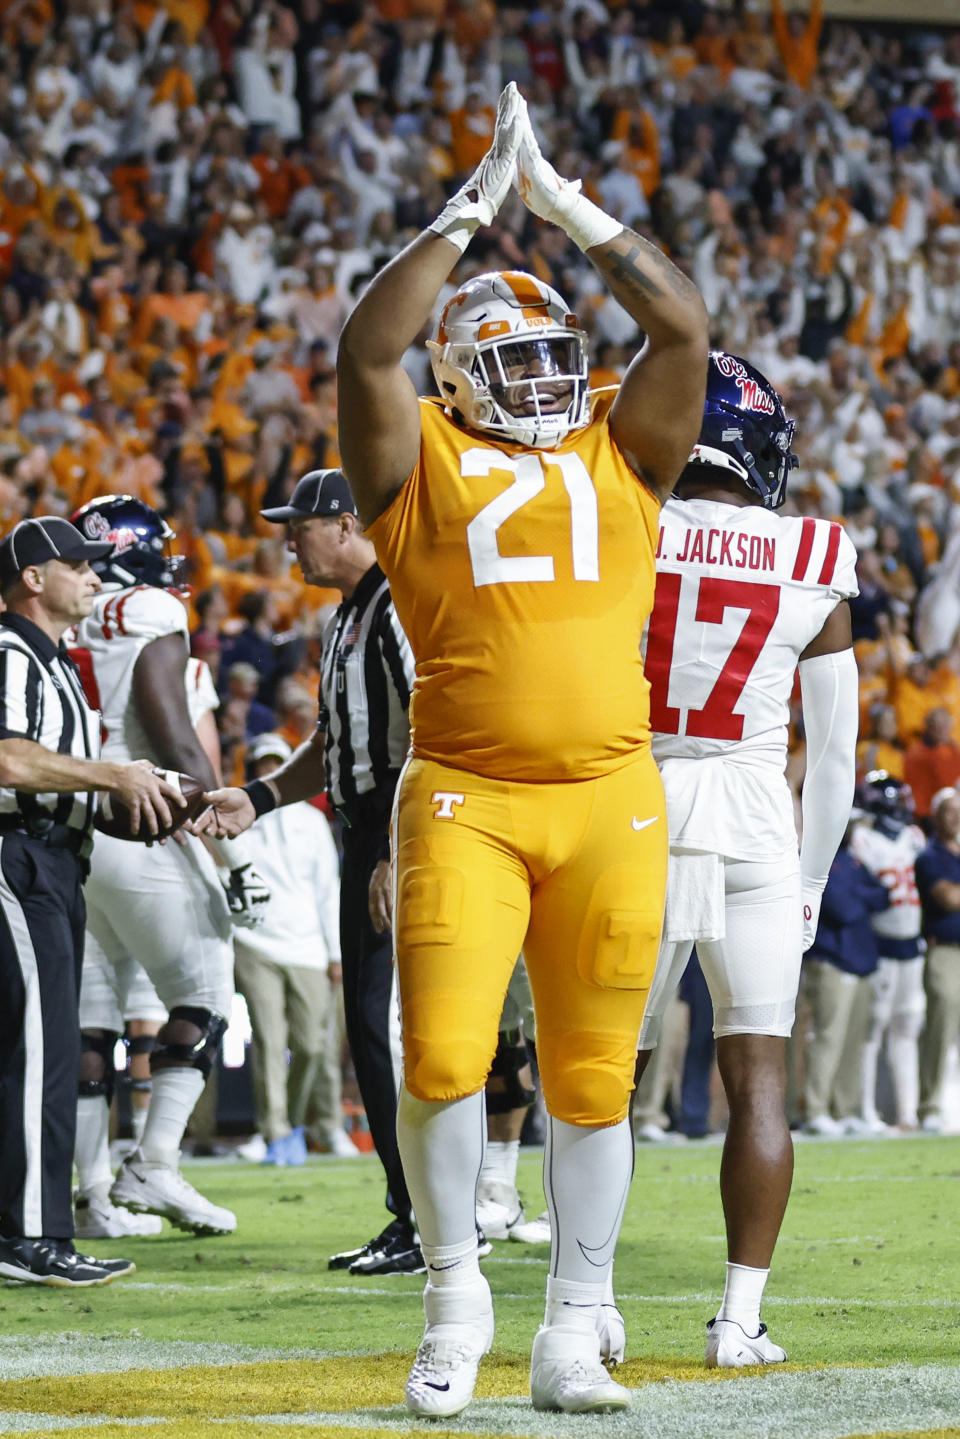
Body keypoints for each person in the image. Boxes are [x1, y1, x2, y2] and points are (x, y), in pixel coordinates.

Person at [335, 82, 708, 1417]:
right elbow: (365, 350)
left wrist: (563, 204)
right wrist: (472, 208)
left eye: (557, 352)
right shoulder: (416, 454)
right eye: (511, 354)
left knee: (594, 1076)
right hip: (469, 797)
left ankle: (571, 1322)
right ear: (457, 375)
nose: (546, 375)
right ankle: (454, 1297)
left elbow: (681, 323)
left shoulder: (625, 453)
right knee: (440, 1054)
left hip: (612, 796)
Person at [636, 351, 859, 1367]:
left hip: (632, 803)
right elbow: (838, 751)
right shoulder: (814, 550)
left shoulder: (622, 524)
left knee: (597, 1076)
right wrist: (812, 881)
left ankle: (584, 1304)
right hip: (756, 818)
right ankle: (739, 1316)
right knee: (758, 1075)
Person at [199, 467, 420, 1274]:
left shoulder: (401, 602)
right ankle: (416, 1210)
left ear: (349, 524)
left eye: (302, 522)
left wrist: (399, 848)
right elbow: (332, 746)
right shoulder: (346, 620)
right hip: (363, 829)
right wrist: (258, 796)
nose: (289, 537)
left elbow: (428, 733)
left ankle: (436, 1213)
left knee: (389, 1023)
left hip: (404, 830)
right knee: (368, 1025)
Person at [68, 494, 270, 1238]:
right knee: (207, 991)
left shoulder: (67, 607)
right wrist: (236, 848)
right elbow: (169, 727)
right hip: (142, 812)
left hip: (75, 824)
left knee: (95, 1017)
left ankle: (91, 1194)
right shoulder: (150, 607)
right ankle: (154, 1160)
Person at [0, 515, 181, 1287]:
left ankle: (28, 1228)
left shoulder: (55, 661)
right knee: (39, 1050)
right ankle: (34, 1237)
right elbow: (7, 756)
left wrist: (147, 802)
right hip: (20, 856)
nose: (95, 576)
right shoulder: (10, 647)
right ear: (32, 577)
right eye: (77, 564)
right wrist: (112, 776)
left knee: (34, 1048)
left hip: (55, 857)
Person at [231, 731, 343, 1167]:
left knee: (312, 1046)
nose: (268, 770)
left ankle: (293, 1124)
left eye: (276, 762)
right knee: (269, 1041)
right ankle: (273, 1129)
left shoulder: (312, 821)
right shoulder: (242, 814)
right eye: (262, 764)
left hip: (308, 946)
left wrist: (334, 951)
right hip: (254, 941)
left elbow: (326, 890)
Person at [849, 772, 926, 1131]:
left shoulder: (913, 837)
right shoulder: (863, 838)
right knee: (873, 1028)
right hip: (879, 943)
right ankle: (865, 1109)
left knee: (908, 1025)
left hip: (912, 943)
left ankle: (908, 1114)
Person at [802, 823, 890, 1136]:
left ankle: (847, 1109)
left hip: (861, 962)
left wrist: (862, 896)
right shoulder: (817, 860)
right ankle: (817, 1109)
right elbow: (843, 908)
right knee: (828, 1038)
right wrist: (864, 896)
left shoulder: (854, 861)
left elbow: (884, 896)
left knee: (854, 1041)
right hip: (833, 962)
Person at [915, 787, 960, 1134]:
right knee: (940, 1025)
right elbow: (948, 898)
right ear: (936, 816)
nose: (956, 816)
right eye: (949, 811)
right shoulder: (930, 856)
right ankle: (930, 1104)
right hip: (946, 950)